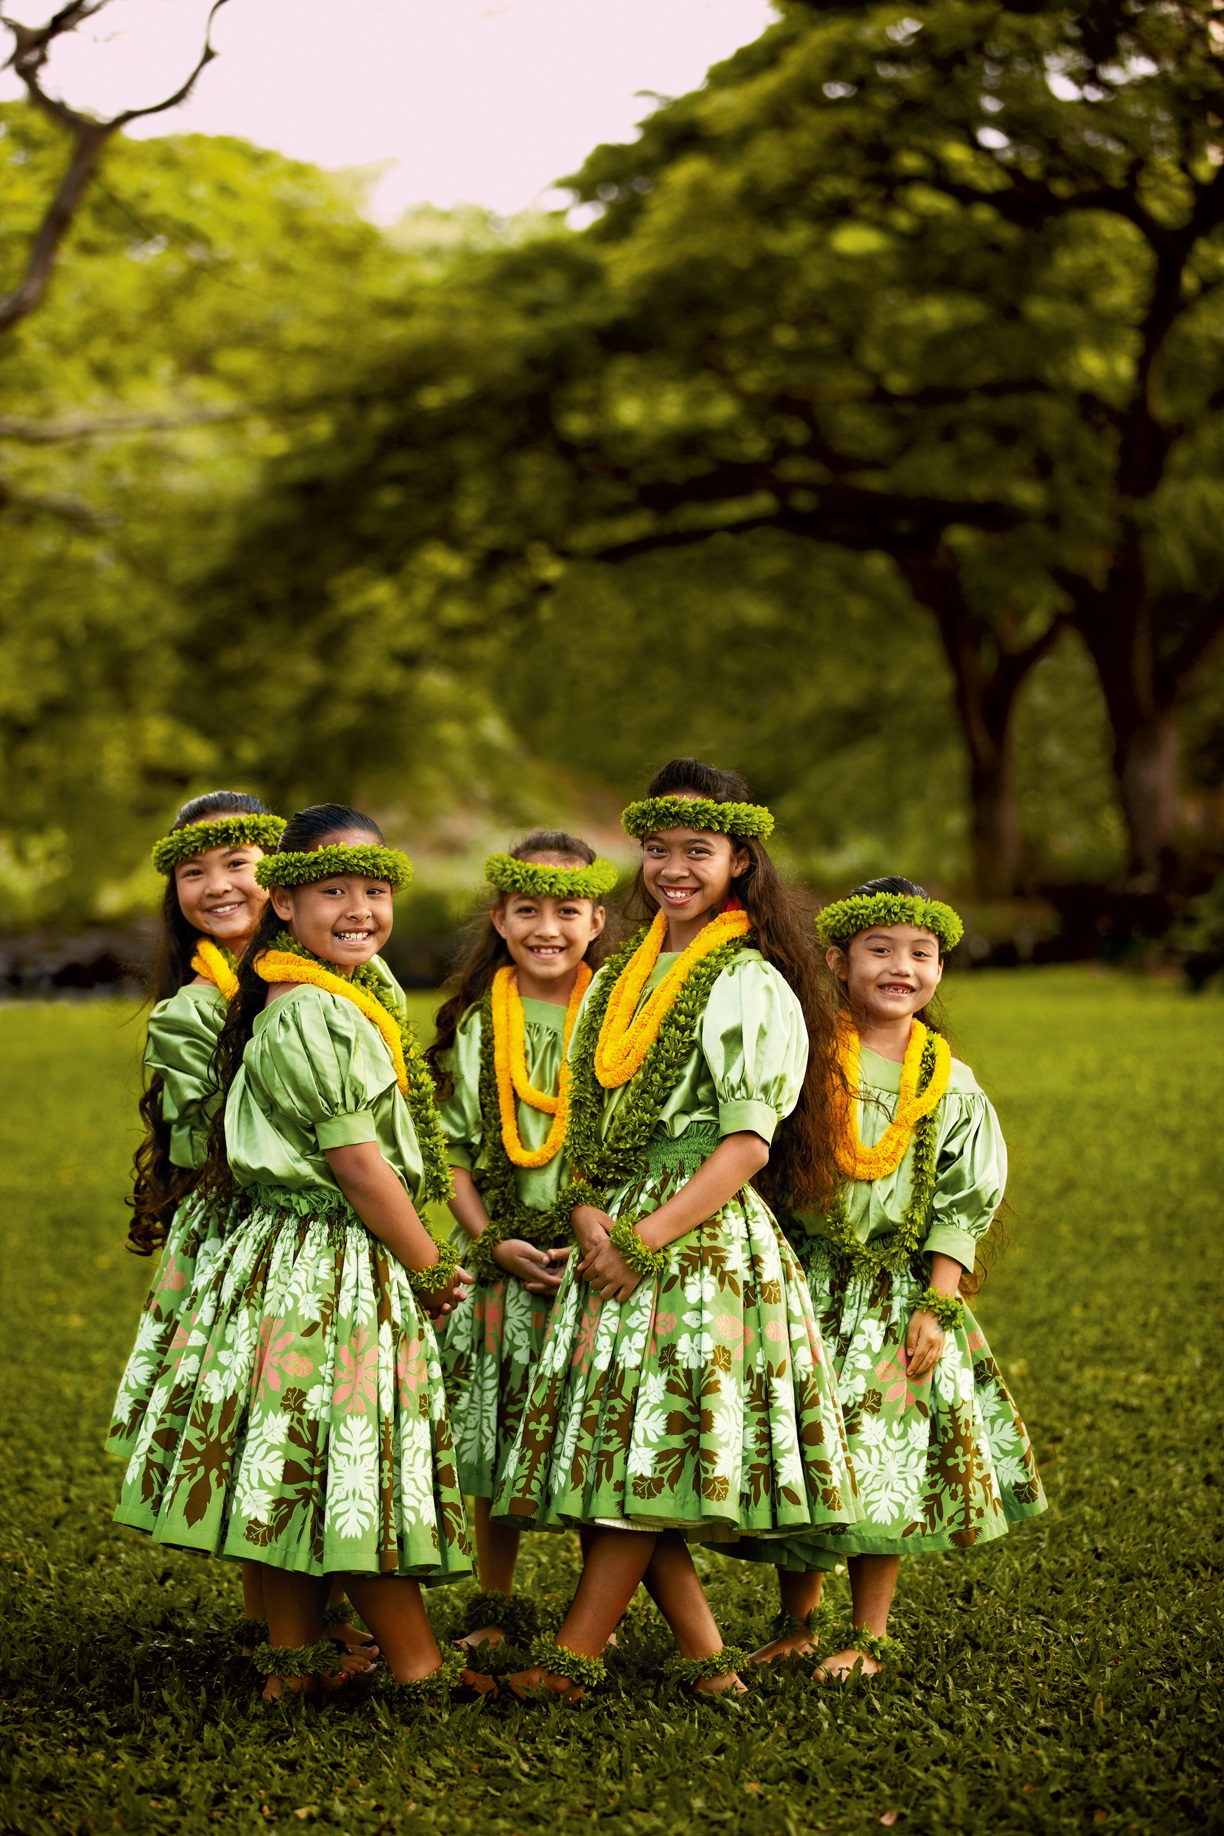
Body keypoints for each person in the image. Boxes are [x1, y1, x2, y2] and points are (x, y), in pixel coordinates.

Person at [494, 759, 858, 1702]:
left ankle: (572, 1664)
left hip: (694, 1236)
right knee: (614, 1453)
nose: (673, 869)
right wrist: (587, 1212)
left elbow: (746, 1145)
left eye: (698, 850)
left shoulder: (747, 980)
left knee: (639, 1457)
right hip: (612, 1221)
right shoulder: (617, 975)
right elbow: (584, 1119)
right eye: (657, 849)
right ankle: (708, 1664)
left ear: (741, 860)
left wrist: (642, 1240)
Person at [115, 805, 492, 1705]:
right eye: (334, 891)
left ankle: (296, 1664)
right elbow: (355, 1160)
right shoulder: (307, 1008)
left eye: (375, 890)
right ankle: (418, 1666)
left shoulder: (310, 988)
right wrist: (428, 1263)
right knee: (348, 1462)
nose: (358, 908)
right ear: (287, 903)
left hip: (290, 1250)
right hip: (326, 1254)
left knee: (288, 1459)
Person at [755, 877, 1047, 1679]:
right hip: (806, 1283)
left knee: (879, 1457)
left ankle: (869, 1636)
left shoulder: (948, 1081)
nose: (901, 968)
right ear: (837, 960)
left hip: (897, 1296)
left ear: (940, 969)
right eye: (879, 950)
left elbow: (963, 1199)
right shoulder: (807, 1061)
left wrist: (938, 1301)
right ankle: (796, 1623)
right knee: (809, 1454)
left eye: (921, 954)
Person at [426, 834, 615, 1650]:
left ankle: (594, 1615)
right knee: (493, 1437)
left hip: (598, 1261)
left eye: (567, 910)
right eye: (527, 910)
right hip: (505, 1263)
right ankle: (496, 1609)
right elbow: (454, 1154)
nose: (547, 928)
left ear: (597, 919)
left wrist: (604, 1237)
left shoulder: (620, 1017)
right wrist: (491, 1239)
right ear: (500, 919)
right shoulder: (479, 1026)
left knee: (588, 1437)